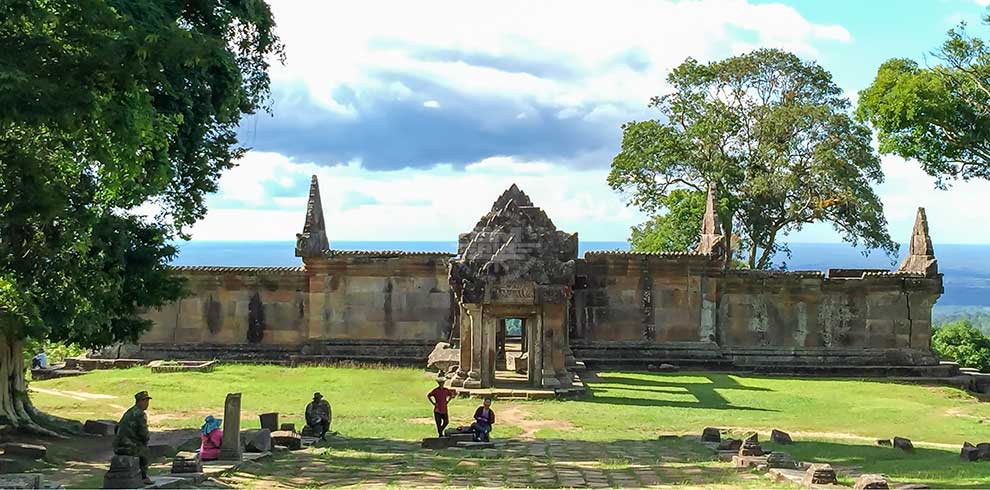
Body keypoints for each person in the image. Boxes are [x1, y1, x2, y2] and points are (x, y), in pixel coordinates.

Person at [113, 391, 153, 485]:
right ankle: (144, 477)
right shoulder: (139, 414)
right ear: (140, 401)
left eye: (147, 401)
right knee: (144, 452)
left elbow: (117, 427)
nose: (147, 404)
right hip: (127, 445)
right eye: (145, 401)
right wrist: (145, 441)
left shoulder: (130, 411)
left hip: (118, 444)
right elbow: (143, 434)